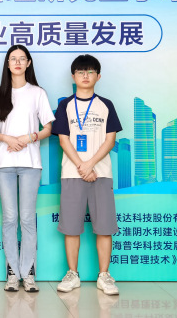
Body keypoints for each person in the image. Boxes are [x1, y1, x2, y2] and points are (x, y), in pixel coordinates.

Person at [51, 54, 122, 296]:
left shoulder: (106, 105)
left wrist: (90, 165)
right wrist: (82, 166)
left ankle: (104, 275)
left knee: (104, 226)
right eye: (81, 72)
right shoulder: (65, 105)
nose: (85, 76)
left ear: (98, 76)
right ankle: (73, 274)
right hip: (72, 173)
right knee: (71, 226)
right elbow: (63, 140)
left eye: (90, 72)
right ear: (73, 76)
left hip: (101, 173)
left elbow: (110, 140)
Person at [0, 45, 54, 292]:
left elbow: (48, 128)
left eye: (22, 59)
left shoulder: (37, 92)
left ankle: (28, 273)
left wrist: (28, 138)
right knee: (10, 218)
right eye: (13, 59)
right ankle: (12, 272)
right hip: (4, 164)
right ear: (7, 64)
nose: (17, 62)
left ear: (28, 63)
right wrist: (8, 139)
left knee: (27, 218)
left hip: (30, 163)